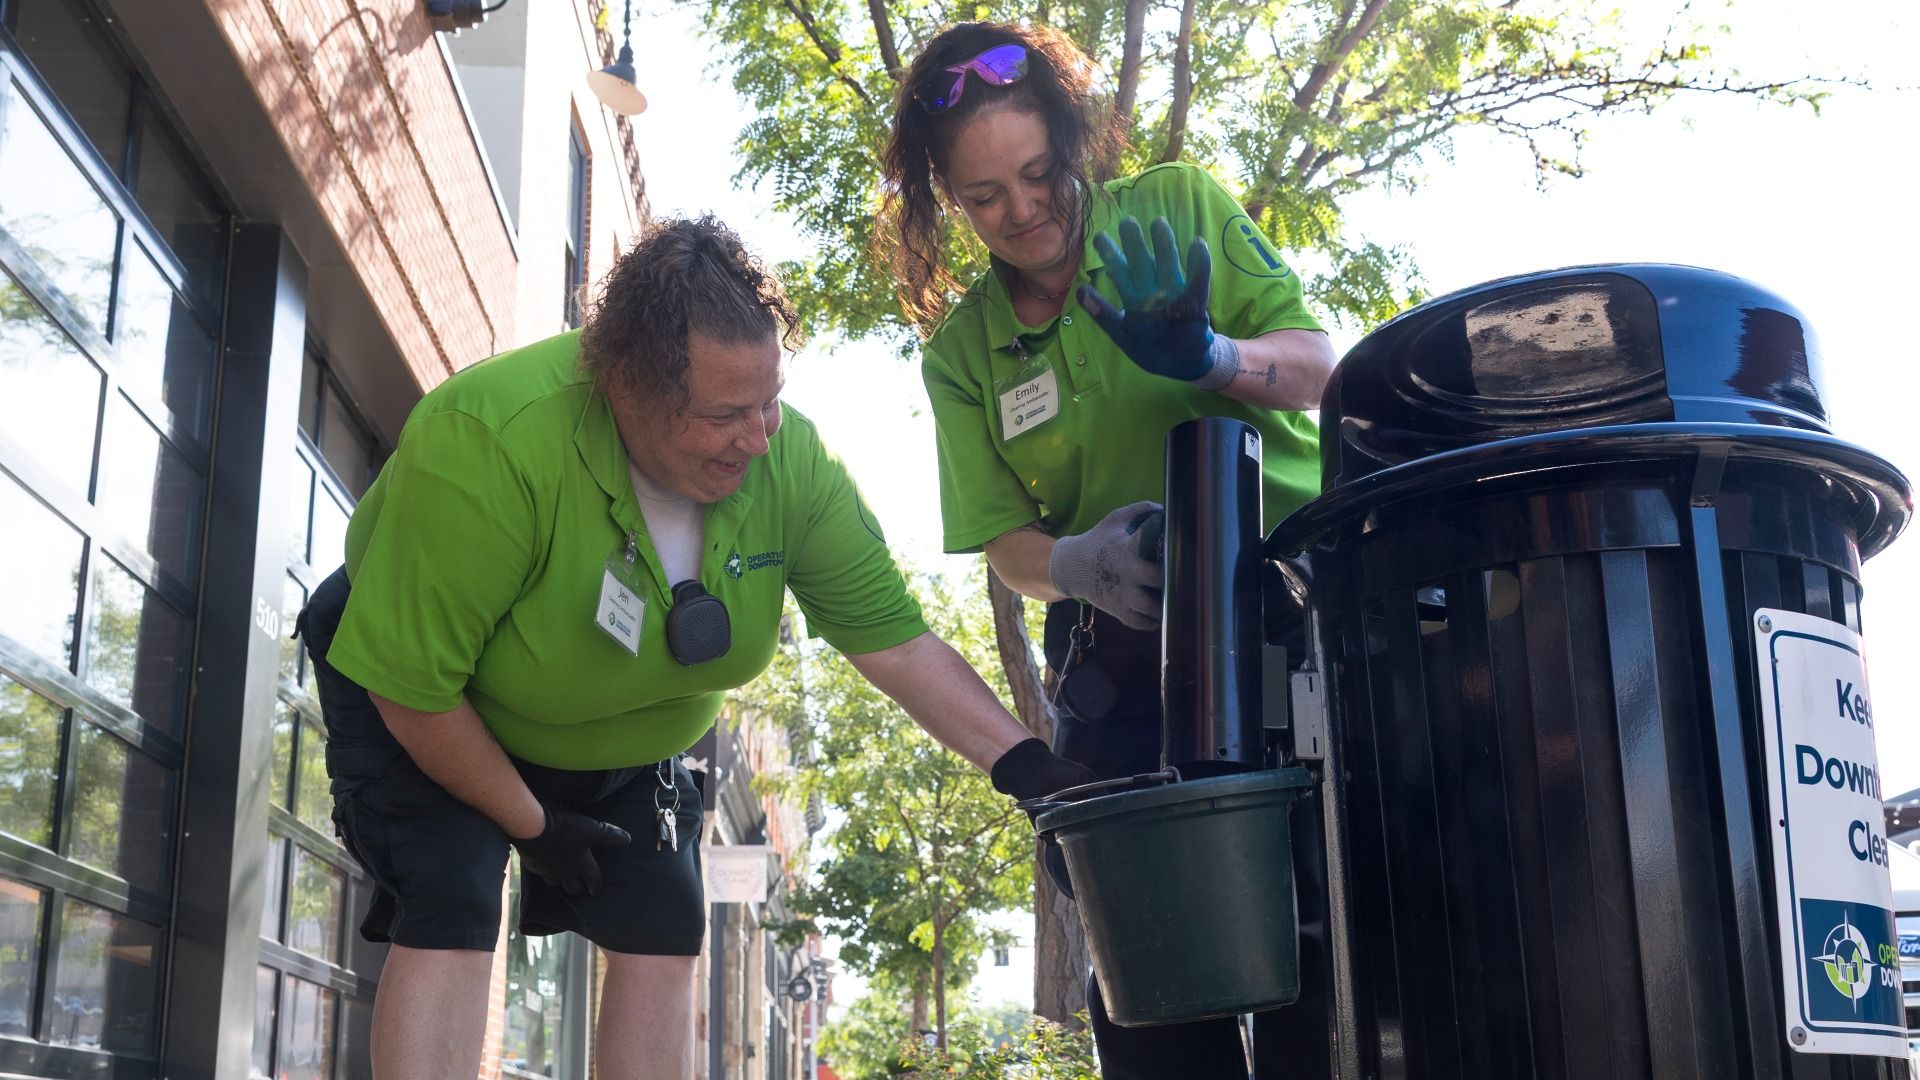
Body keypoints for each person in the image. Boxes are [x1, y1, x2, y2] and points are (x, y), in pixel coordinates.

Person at [297, 215, 1095, 1078]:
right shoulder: (490, 443)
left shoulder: (790, 467)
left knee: (662, 925)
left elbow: (897, 646)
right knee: (451, 891)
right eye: (725, 414)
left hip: (627, 736)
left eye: (769, 400)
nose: (758, 437)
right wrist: (533, 826)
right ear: (626, 390)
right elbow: (414, 690)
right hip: (429, 707)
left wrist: (1030, 771)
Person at [876, 22, 1337, 1078]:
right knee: (1158, 983)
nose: (1023, 210)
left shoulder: (1177, 206)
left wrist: (1215, 356)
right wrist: (1076, 562)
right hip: (1126, 664)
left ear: (1072, 139)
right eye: (984, 197)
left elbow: (1318, 369)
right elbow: (1003, 544)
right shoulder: (962, 355)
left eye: (1038, 174)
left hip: (1294, 612)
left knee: (1335, 934)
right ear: (946, 196)